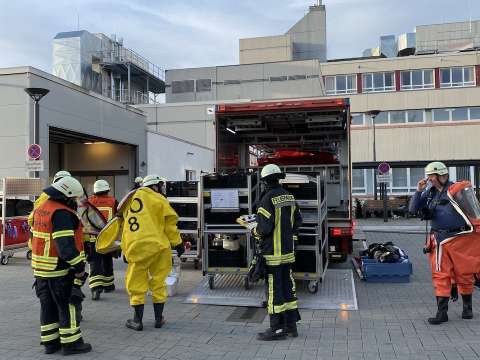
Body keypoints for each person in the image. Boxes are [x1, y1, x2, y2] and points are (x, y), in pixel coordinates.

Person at [409, 161, 480, 324]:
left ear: (442, 176)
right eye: (428, 177)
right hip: (439, 240)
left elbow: (472, 208)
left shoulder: (456, 191)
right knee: (440, 275)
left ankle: (467, 308)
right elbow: (413, 209)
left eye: (432, 176)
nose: (429, 180)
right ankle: (442, 313)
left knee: (464, 273)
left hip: (460, 238)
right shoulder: (429, 193)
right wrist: (419, 191)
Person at [31, 176, 92, 355]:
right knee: (68, 305)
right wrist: (79, 267)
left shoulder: (41, 209)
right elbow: (65, 247)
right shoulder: (62, 213)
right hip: (59, 270)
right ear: (67, 196)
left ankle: (50, 343)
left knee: (47, 306)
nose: (75, 202)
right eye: (74, 199)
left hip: (41, 270)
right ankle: (71, 344)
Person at [120, 174, 185, 331]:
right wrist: (178, 243)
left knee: (136, 283)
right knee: (158, 282)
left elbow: (125, 227)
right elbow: (170, 225)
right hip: (159, 247)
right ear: (155, 186)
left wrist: (125, 249)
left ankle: (137, 320)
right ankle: (158, 319)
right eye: (160, 185)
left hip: (136, 248)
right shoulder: (159, 199)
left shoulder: (129, 200)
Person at [252, 164, 303, 341]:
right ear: (278, 178)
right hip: (288, 253)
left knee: (274, 292)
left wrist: (253, 231)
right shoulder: (289, 196)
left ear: (265, 181)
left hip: (273, 254)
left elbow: (264, 228)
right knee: (288, 288)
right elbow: (298, 221)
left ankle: (276, 329)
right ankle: (291, 327)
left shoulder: (266, 199)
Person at [85, 180, 118, 300]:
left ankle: (95, 289)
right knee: (107, 260)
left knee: (95, 263)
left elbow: (84, 220)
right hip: (108, 238)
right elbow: (118, 218)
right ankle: (108, 285)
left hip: (93, 238)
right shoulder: (113, 201)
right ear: (107, 189)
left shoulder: (89, 202)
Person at [28, 170, 71, 248]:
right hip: (52, 242)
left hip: (39, 240)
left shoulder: (45, 195)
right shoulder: (68, 196)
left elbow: (32, 218)